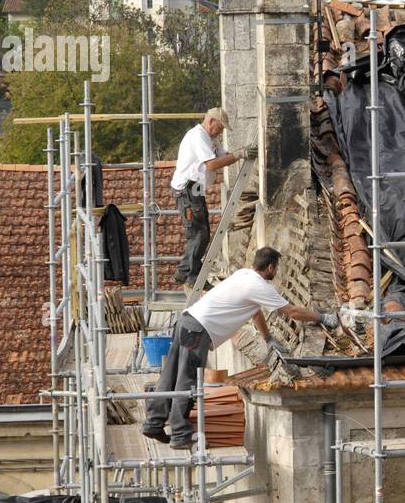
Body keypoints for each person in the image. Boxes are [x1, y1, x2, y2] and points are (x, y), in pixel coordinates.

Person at [144, 247, 340, 449]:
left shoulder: (243, 275)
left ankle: (153, 423)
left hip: (186, 321)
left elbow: (256, 313)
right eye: (276, 268)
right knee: (187, 380)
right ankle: (179, 434)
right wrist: (322, 317)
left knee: (170, 375)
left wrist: (269, 338)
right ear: (271, 266)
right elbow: (291, 311)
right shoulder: (260, 286)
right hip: (198, 331)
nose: (276, 271)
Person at [171, 108, 254, 287]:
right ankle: (192, 277)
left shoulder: (210, 138)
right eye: (220, 127)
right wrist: (239, 155)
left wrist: (238, 153)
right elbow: (212, 164)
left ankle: (184, 272)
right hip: (187, 189)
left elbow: (222, 156)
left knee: (202, 232)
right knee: (198, 233)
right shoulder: (198, 136)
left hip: (194, 189)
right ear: (210, 122)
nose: (221, 131)